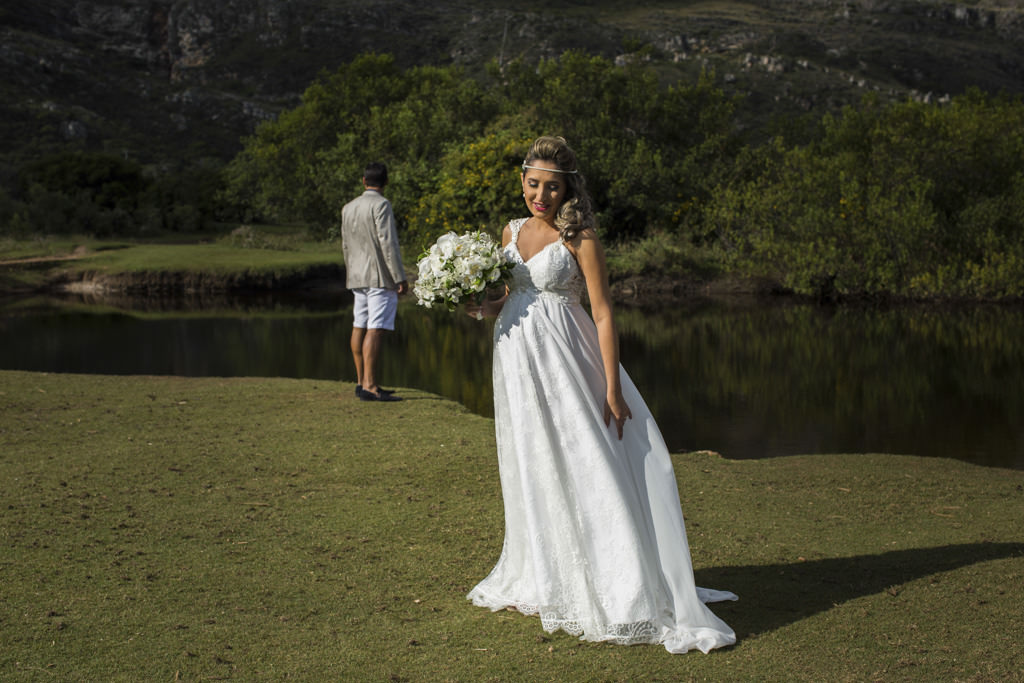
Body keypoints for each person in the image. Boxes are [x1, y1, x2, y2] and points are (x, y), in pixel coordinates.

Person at [464, 136, 737, 654]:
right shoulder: (510, 230)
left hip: (568, 359)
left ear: (567, 188)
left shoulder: (580, 236)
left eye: (551, 186)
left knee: (586, 457)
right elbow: (505, 298)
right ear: (522, 181)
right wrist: (476, 305)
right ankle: (545, 574)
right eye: (532, 184)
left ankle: (619, 580)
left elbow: (605, 312)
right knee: (532, 457)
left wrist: (612, 386)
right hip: (516, 359)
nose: (539, 196)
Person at [341, 162, 407, 402]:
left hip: (357, 275)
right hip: (379, 276)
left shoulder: (348, 207)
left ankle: (361, 381)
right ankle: (370, 385)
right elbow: (387, 243)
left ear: (363, 180)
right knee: (375, 327)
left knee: (359, 324)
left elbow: (346, 245)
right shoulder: (381, 205)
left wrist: (350, 272)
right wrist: (399, 276)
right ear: (385, 182)